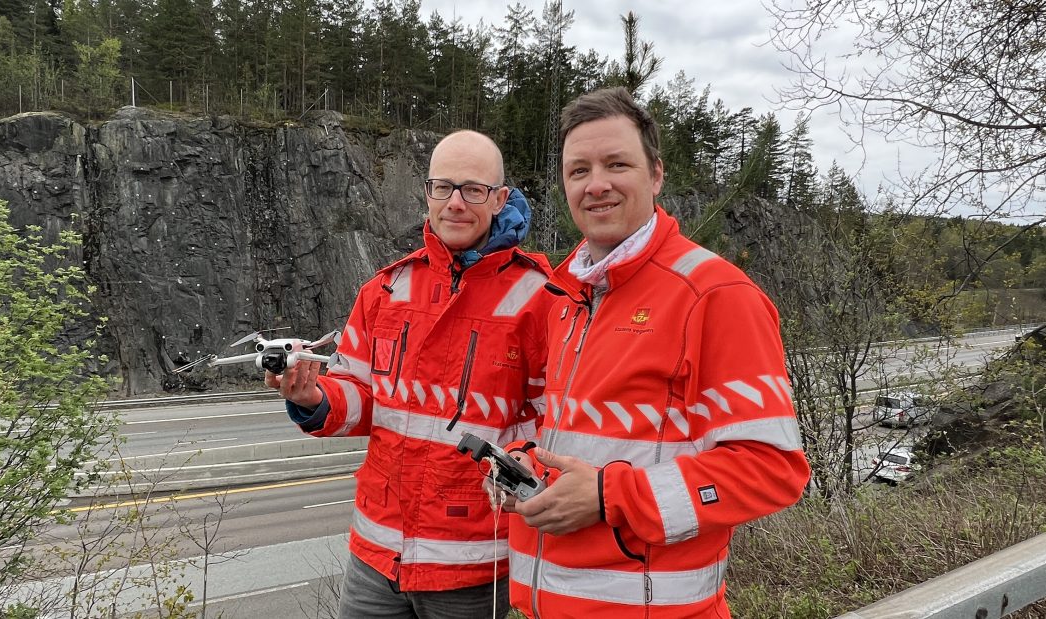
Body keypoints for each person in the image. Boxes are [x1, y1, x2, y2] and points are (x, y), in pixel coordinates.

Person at [502, 88, 811, 618]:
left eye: (616, 164)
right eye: (578, 171)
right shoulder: (567, 298)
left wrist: (608, 496)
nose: (596, 184)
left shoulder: (714, 296)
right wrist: (527, 467)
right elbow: (589, 440)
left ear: (656, 175)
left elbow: (773, 470)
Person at [266, 130, 554, 619]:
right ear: (427, 194)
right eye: (443, 188)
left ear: (501, 198)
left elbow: (561, 423)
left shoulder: (543, 300)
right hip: (377, 555)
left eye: (473, 189)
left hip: (473, 560)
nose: (455, 203)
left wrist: (529, 470)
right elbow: (359, 395)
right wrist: (314, 398)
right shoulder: (386, 288)